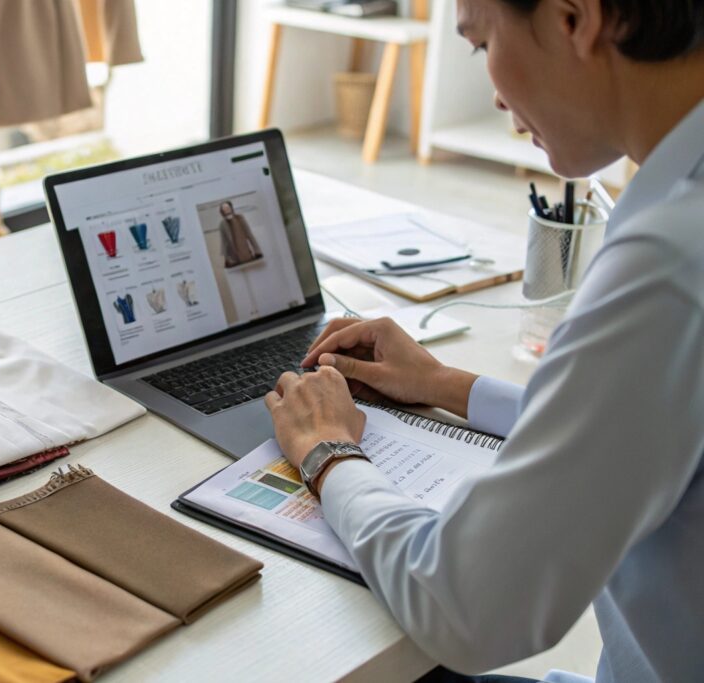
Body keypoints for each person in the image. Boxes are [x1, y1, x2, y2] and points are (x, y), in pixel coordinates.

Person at [263, 1, 704, 682]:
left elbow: (465, 604)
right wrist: (446, 386)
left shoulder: (672, 263)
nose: (495, 92)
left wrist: (326, 451)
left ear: (572, 17)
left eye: (480, 43)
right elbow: (640, 425)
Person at [218, 201, 263, 267]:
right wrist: (226, 259)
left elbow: (249, 234)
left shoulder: (240, 218)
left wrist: (257, 251)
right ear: (222, 211)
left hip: (245, 251)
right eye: (224, 208)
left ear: (231, 208)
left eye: (227, 207)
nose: (226, 209)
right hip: (233, 256)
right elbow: (224, 242)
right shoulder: (222, 224)